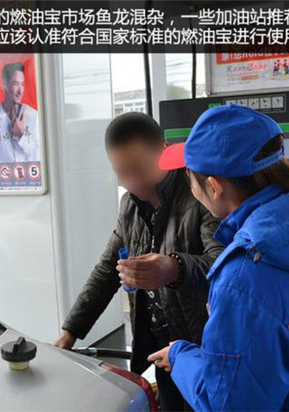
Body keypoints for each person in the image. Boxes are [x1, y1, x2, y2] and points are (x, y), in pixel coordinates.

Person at [148, 105, 289, 411]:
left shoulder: (245, 279)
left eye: (189, 175)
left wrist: (181, 357)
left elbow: (229, 404)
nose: (189, 185)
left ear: (214, 187)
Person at [53, 112, 223, 411]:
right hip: (159, 347)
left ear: (164, 151)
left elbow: (223, 265)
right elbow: (107, 270)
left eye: (139, 169)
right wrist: (70, 332)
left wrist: (174, 267)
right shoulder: (129, 205)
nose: (132, 182)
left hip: (201, 346)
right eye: (122, 173)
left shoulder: (199, 195)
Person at [0, 62, 40, 164]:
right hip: (4, 174)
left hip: (30, 174)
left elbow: (39, 155)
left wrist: (21, 136)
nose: (20, 91)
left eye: (22, 84)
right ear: (5, 85)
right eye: (16, 84)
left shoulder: (33, 116)